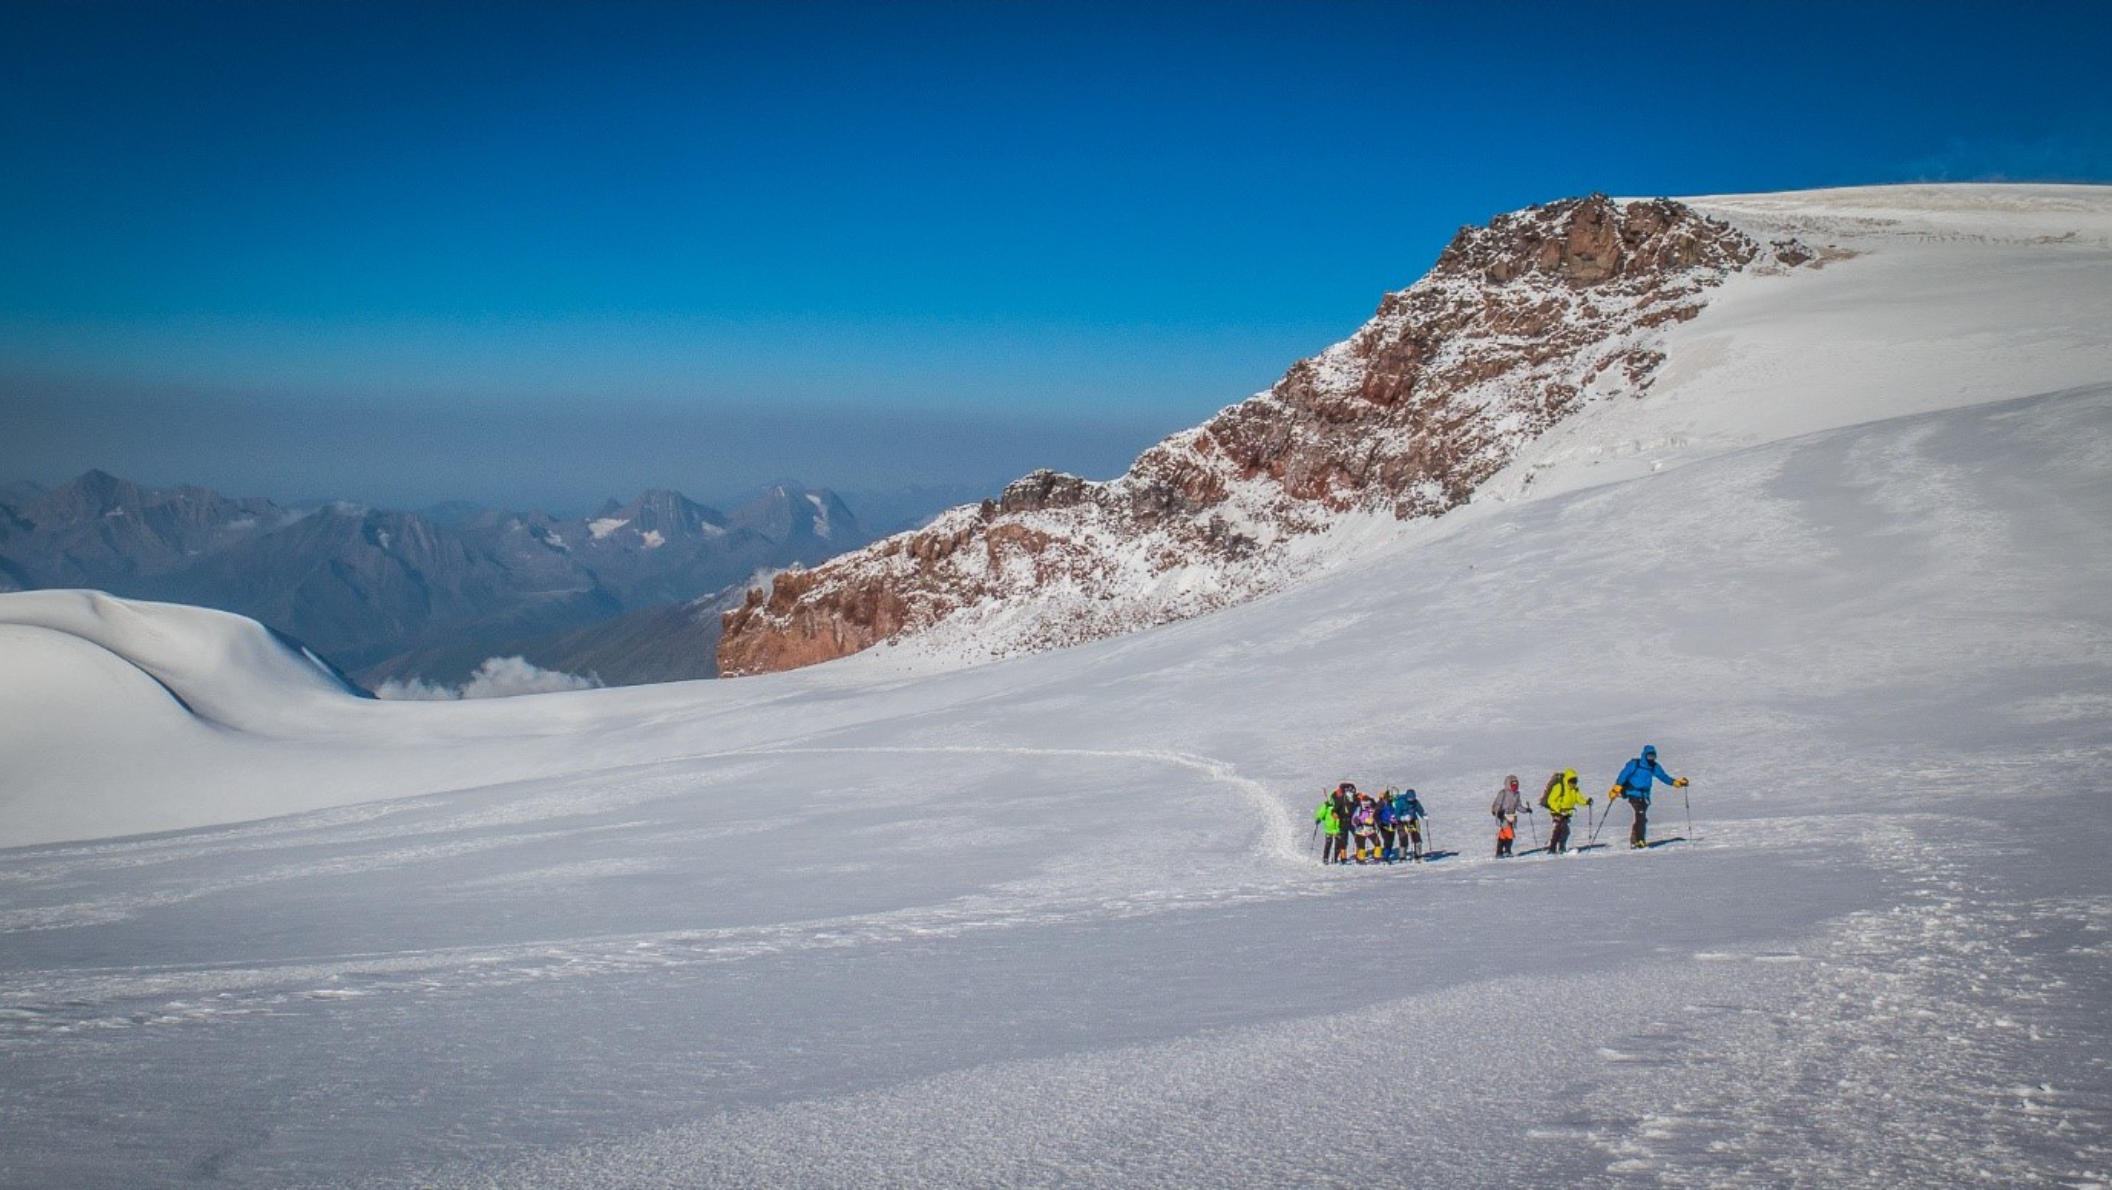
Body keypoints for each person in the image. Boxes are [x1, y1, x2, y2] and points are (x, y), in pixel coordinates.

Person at [1609, 744, 1687, 849]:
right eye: (1649, 756)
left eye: (1653, 756)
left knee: (1641, 818)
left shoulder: (1654, 767)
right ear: (1645, 755)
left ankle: (1634, 840)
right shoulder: (1635, 764)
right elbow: (1624, 775)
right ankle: (1639, 841)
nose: (1651, 759)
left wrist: (1676, 783)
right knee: (1640, 815)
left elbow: (1663, 777)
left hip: (1645, 796)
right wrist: (1617, 787)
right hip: (1633, 794)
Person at [1543, 768, 1590, 854]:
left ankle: (1555, 848)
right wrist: (1559, 808)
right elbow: (1551, 800)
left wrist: (1586, 802)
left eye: (1575, 781)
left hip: (1567, 813)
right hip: (1557, 812)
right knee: (1563, 830)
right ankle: (1558, 848)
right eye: (1571, 781)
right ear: (1567, 780)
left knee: (1560, 830)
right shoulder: (1559, 787)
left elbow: (1578, 799)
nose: (1573, 783)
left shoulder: (1574, 789)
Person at [1490, 774, 1525, 858]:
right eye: (1513, 784)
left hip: (1512, 817)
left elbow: (1518, 806)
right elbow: (1497, 804)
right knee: (1510, 834)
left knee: (1503, 835)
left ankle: (1499, 853)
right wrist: (1498, 812)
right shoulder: (1503, 793)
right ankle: (1507, 851)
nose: (1515, 786)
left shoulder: (1517, 794)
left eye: (1516, 784)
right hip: (1503, 816)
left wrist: (1526, 810)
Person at [1392, 787, 1427, 861]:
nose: (1411, 800)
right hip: (1402, 822)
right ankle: (1402, 857)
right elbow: (1396, 813)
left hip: (1413, 821)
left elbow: (1419, 809)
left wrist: (1423, 815)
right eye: (1409, 799)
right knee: (1403, 838)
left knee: (1417, 837)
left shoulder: (1415, 802)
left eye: (1412, 799)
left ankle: (1418, 855)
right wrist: (1402, 818)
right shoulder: (1401, 802)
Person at [1314, 793, 1345, 865]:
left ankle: (1335, 858)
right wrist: (1319, 818)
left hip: (1338, 828)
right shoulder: (1327, 806)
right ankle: (1325, 858)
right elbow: (1321, 812)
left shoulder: (1341, 806)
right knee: (1328, 843)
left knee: (1338, 844)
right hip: (1329, 828)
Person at [1350, 791, 1380, 863]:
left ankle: (1377, 857)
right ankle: (1361, 859)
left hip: (1370, 830)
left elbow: (1376, 818)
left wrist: (1376, 823)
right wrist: (1357, 822)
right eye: (1365, 803)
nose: (1366, 805)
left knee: (1377, 843)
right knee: (1361, 845)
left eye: (1368, 803)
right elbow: (1353, 820)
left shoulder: (1372, 810)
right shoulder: (1358, 810)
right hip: (1361, 830)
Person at [1374, 790, 1400, 862]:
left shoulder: (1394, 803)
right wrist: (1379, 822)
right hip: (1384, 825)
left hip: (1393, 825)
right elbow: (1375, 814)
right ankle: (1385, 857)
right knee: (1387, 841)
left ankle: (1386, 856)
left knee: (1390, 842)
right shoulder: (1381, 803)